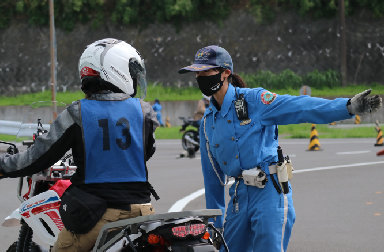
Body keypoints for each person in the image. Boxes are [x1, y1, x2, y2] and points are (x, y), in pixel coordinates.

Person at [178, 45, 382, 252]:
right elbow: (213, 180)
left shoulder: (254, 101)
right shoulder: (207, 123)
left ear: (226, 73)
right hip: (239, 196)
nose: (200, 77)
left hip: (269, 191)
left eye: (206, 72)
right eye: (197, 73)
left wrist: (346, 107)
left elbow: (300, 107)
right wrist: (216, 225)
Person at [0, 38, 160, 251]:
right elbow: (146, 152)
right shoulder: (145, 110)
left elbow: (36, 158)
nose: (133, 77)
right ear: (115, 70)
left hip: (101, 216)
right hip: (143, 210)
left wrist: (3, 165)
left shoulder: (78, 113)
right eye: (131, 71)